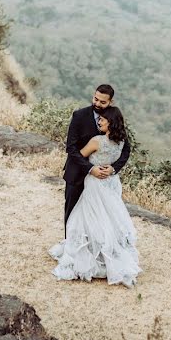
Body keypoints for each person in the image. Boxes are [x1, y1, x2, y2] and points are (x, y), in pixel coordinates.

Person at [49, 106, 141, 287]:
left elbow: (79, 154)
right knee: (108, 218)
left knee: (87, 217)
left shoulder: (97, 141)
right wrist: (110, 168)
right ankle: (107, 254)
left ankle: (90, 255)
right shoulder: (121, 141)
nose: (98, 121)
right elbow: (122, 154)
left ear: (111, 122)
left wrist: (93, 168)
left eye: (102, 120)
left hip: (95, 183)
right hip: (111, 184)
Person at [61, 84, 131, 235]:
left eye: (102, 102)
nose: (97, 103)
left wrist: (113, 168)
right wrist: (90, 169)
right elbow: (71, 148)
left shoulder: (114, 118)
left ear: (110, 102)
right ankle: (71, 248)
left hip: (103, 182)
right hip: (77, 174)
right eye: (95, 99)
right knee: (73, 213)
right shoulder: (79, 116)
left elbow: (126, 150)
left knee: (100, 218)